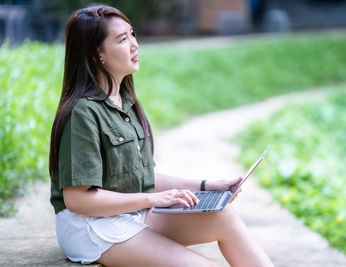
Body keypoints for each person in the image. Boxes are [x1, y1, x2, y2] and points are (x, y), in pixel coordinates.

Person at [49, 4, 274, 267]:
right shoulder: (83, 113)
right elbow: (77, 199)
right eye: (122, 39)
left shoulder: (124, 101)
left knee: (225, 216)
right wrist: (153, 200)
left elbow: (137, 176)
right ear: (96, 53)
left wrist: (205, 186)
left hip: (129, 213)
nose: (135, 45)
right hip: (92, 227)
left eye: (132, 34)